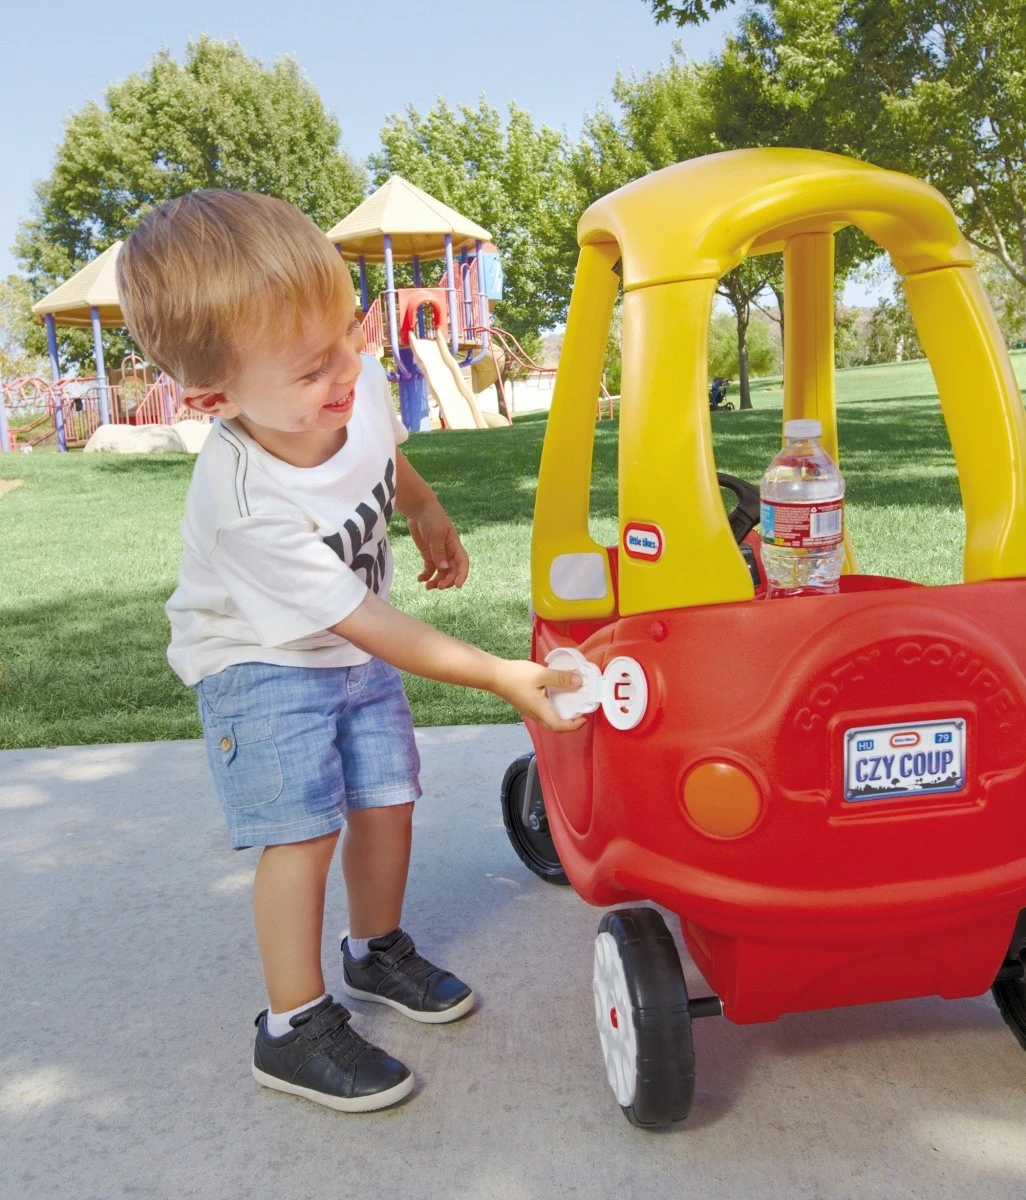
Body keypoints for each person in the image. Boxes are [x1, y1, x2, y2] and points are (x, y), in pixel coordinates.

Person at [116, 190, 583, 1114]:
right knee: (303, 830)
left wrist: (423, 506)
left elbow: (379, 449)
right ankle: (291, 1027)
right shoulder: (244, 503)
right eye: (310, 367)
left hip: (343, 644)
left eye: (346, 333)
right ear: (214, 400)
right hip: (260, 663)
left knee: (387, 798)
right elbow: (370, 624)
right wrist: (500, 675)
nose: (346, 368)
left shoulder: (349, 382)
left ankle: (375, 952)